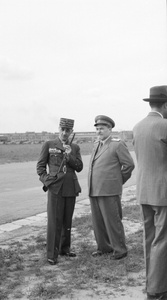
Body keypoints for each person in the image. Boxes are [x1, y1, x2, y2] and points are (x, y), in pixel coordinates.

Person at [133, 86, 167, 300]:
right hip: (163, 193)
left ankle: (151, 284)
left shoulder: (137, 126)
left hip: (144, 190)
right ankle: (157, 290)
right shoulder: (164, 125)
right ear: (165, 105)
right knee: (162, 241)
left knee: (150, 239)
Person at [36, 118, 83, 265]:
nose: (64, 133)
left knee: (67, 220)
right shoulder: (49, 145)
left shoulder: (74, 147)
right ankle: (52, 254)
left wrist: (69, 156)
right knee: (54, 222)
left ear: (71, 132)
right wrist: (47, 181)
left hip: (70, 187)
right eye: (62, 129)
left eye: (67, 130)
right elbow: (40, 167)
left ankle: (65, 248)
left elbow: (79, 167)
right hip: (55, 188)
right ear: (58, 129)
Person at [88, 115, 134, 259]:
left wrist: (117, 181)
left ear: (110, 129)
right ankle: (104, 247)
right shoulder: (97, 144)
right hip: (94, 189)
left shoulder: (117, 144)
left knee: (112, 221)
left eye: (102, 128)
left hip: (109, 190)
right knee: (98, 222)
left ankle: (120, 249)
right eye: (97, 129)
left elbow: (129, 165)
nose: (99, 131)